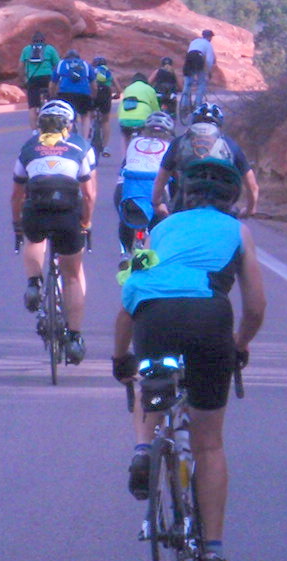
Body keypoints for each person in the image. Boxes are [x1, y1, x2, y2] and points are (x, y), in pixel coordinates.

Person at [112, 156, 267, 561]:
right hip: (208, 320)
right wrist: (238, 345)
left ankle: (144, 448)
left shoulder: (159, 230)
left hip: (153, 317)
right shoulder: (238, 232)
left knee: (149, 378)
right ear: (231, 199)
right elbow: (255, 306)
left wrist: (119, 358)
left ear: (182, 196)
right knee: (209, 442)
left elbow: (129, 300)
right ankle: (213, 551)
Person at [10, 99, 98, 365]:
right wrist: (86, 223)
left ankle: (34, 284)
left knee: (33, 239)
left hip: (36, 211)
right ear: (69, 124)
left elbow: (16, 194)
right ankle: (73, 337)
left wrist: (17, 225)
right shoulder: (82, 147)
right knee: (72, 275)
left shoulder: (28, 148)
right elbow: (90, 194)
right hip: (68, 216)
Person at [151, 102, 259, 222]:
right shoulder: (230, 144)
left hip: (186, 202)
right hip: (221, 202)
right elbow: (252, 186)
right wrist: (250, 209)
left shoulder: (178, 143)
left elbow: (160, 179)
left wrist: (157, 203)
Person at [116, 111, 174, 257]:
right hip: (155, 191)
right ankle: (155, 252)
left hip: (128, 189)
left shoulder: (134, 142)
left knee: (124, 214)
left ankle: (125, 252)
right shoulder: (170, 147)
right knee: (161, 220)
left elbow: (124, 166)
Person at [18, 31, 59, 118]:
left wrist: (23, 80)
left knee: (32, 107)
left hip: (32, 79)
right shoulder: (50, 49)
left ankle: (34, 131)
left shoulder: (26, 50)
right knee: (53, 98)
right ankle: (52, 108)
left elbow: (21, 67)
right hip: (48, 78)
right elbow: (57, 66)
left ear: (32, 41)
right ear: (44, 41)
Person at [54, 47, 94, 135]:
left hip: (65, 94)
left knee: (66, 116)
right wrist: (93, 96)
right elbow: (93, 83)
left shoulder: (61, 64)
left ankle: (67, 137)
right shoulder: (86, 64)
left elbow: (53, 83)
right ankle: (85, 140)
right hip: (83, 93)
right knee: (85, 115)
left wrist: (52, 95)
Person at [118, 71, 162, 149]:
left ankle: (126, 157)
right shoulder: (149, 89)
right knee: (146, 136)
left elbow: (120, 106)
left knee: (126, 137)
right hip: (142, 119)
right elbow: (155, 109)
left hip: (124, 119)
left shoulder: (128, 88)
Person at [181, 29, 217, 112]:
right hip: (198, 58)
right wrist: (208, 72)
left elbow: (189, 52)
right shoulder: (208, 44)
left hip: (189, 58)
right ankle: (197, 105)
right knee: (201, 83)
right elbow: (208, 60)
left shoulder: (194, 41)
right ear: (209, 37)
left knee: (187, 84)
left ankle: (184, 105)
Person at [89, 55, 117, 142]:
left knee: (88, 114)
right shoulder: (107, 72)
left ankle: (89, 127)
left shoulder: (91, 71)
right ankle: (106, 147)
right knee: (105, 120)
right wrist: (118, 94)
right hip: (105, 93)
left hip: (93, 92)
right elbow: (118, 88)